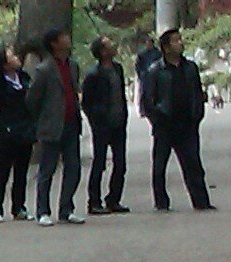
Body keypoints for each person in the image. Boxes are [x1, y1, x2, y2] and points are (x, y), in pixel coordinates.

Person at [140, 28, 214, 211]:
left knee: (193, 164)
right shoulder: (155, 71)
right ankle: (161, 202)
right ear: (165, 47)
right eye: (175, 40)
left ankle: (201, 201)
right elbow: (148, 100)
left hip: (187, 123)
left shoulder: (190, 68)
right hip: (164, 125)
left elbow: (197, 93)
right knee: (159, 166)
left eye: (180, 39)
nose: (180, 43)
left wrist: (197, 114)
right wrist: (157, 118)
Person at [26, 29, 85, 226]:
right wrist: (40, 120)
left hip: (71, 123)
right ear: (54, 43)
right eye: (64, 38)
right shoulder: (44, 70)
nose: (68, 39)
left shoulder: (73, 66)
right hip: (51, 125)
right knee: (47, 169)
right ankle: (42, 211)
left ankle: (66, 209)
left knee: (73, 167)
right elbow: (33, 99)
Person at [0, 48, 34, 222]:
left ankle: (19, 207)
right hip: (8, 134)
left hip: (25, 131)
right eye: (11, 56)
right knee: (3, 172)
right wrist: (3, 127)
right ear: (5, 64)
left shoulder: (24, 78)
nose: (16, 57)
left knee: (22, 172)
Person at [81, 37, 130, 213]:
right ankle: (94, 202)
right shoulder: (93, 74)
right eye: (109, 45)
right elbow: (86, 102)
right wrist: (96, 119)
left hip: (118, 122)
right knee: (99, 163)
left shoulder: (118, 69)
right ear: (102, 52)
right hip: (102, 124)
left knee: (120, 163)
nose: (114, 47)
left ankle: (114, 199)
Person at [135, 34, 162, 112]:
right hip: (145, 76)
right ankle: (143, 109)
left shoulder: (158, 53)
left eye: (150, 43)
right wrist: (141, 74)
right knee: (144, 93)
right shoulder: (142, 54)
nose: (148, 44)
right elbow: (138, 65)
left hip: (156, 76)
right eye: (147, 43)